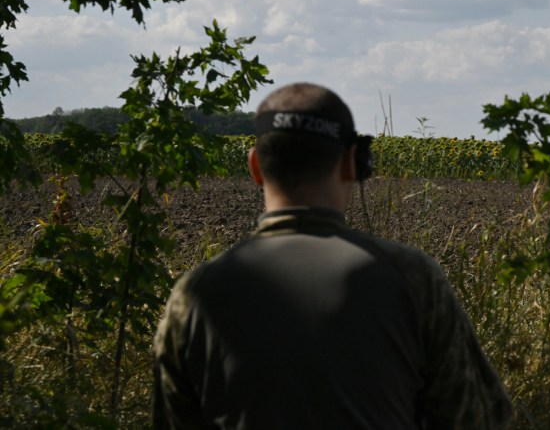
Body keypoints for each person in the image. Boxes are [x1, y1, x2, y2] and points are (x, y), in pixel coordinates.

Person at [152, 82, 513, 429]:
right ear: (351, 163)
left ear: (255, 167)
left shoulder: (195, 295)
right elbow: (473, 418)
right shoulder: (411, 278)